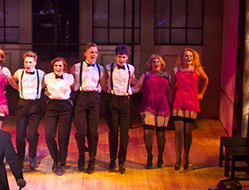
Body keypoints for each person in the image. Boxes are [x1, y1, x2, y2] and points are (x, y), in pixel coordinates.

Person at [131, 54, 173, 169]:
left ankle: (160, 157)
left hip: (163, 106)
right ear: (150, 64)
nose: (156, 63)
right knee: (148, 133)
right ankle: (149, 156)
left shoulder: (167, 76)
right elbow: (137, 88)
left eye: (158, 61)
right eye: (154, 61)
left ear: (161, 63)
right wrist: (122, 90)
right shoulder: (146, 75)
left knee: (161, 134)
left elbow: (173, 89)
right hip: (148, 105)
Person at [101, 44, 137, 174]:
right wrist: (109, 92)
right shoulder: (108, 68)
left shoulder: (131, 68)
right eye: (120, 57)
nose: (122, 60)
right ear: (116, 56)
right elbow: (103, 82)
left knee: (125, 134)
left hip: (125, 101)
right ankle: (112, 159)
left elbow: (133, 82)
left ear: (127, 57)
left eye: (124, 57)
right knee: (113, 132)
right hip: (113, 100)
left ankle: (122, 161)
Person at [171, 47, 209, 170]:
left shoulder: (197, 69)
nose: (188, 58)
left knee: (188, 132)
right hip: (179, 100)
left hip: (191, 101)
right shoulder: (176, 70)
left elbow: (206, 79)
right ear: (182, 58)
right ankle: (178, 159)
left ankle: (186, 157)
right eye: (186, 56)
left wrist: (201, 93)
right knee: (178, 131)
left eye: (190, 56)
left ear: (193, 58)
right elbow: (174, 84)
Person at [70, 43, 104, 174]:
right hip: (81, 97)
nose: (94, 54)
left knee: (93, 132)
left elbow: (103, 84)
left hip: (94, 98)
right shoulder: (76, 67)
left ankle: (92, 159)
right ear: (85, 54)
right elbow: (70, 83)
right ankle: (81, 154)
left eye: (95, 52)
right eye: (91, 52)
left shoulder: (101, 69)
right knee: (81, 130)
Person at [9, 51, 45, 171]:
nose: (28, 64)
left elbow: (44, 84)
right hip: (22, 104)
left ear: (35, 63)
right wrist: (18, 88)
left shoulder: (41, 73)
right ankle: (20, 159)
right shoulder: (19, 72)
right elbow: (11, 80)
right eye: (26, 62)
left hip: (35, 105)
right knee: (20, 136)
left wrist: (38, 90)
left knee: (32, 135)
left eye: (30, 62)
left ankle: (32, 157)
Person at [43, 57, 74, 176]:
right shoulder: (48, 77)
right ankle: (55, 159)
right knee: (49, 135)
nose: (58, 68)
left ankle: (62, 163)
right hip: (51, 106)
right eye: (56, 65)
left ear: (64, 67)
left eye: (60, 65)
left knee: (63, 137)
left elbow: (74, 89)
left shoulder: (70, 77)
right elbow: (44, 89)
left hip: (65, 107)